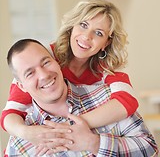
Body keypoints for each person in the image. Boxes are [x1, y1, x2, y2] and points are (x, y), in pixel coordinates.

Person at [1, 0, 138, 147]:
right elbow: (10, 114)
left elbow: (127, 102)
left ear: (106, 43)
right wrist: (27, 133)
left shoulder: (107, 69)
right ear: (72, 26)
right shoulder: (44, 57)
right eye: (83, 25)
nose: (87, 36)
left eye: (98, 33)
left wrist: (70, 126)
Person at [4, 39, 158, 156]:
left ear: (57, 62)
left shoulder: (108, 99)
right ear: (21, 86)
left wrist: (95, 143)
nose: (44, 75)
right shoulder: (20, 143)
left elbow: (150, 148)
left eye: (45, 62)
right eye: (30, 73)